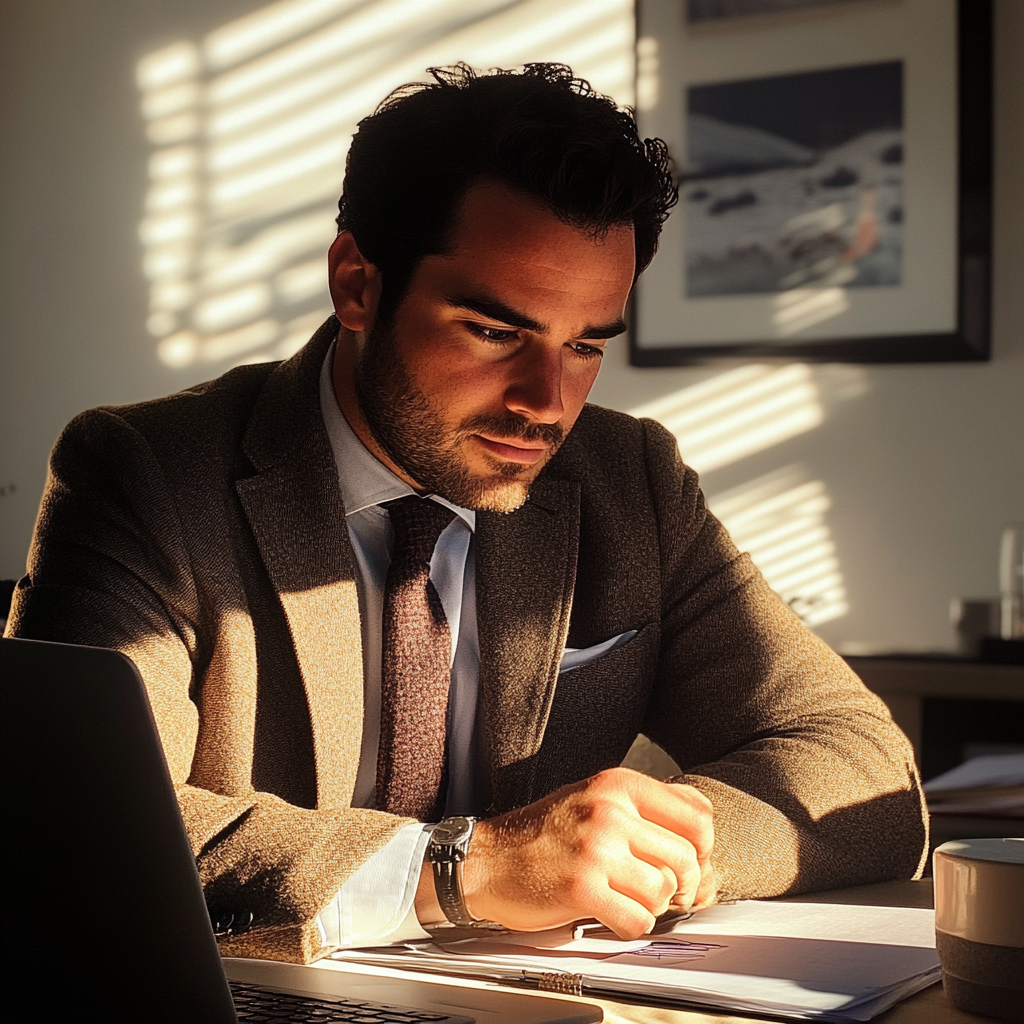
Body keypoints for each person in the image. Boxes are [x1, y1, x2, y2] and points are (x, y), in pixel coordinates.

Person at [6, 64, 926, 965]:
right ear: (357, 284)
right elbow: (75, 819)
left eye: (587, 345)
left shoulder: (631, 479)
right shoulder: (146, 472)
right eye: (495, 332)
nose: (546, 402)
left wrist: (651, 851)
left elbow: (865, 772)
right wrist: (467, 870)